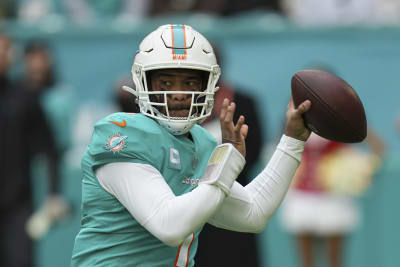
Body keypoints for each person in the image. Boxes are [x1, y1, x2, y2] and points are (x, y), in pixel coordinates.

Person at [71, 24, 312, 267]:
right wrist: (226, 164)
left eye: (190, 83)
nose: (178, 94)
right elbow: (169, 225)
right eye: (165, 82)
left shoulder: (202, 142)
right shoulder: (121, 133)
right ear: (143, 82)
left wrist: (293, 140)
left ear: (209, 85)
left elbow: (254, 212)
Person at [195, 44, 264, 266]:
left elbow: (253, 153)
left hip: (234, 200)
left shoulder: (245, 102)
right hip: (194, 206)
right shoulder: (180, 107)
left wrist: (221, 169)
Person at [280, 130, 384, 267]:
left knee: (334, 261)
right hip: (302, 198)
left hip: (333, 200)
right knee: (306, 262)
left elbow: (379, 147)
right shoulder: (297, 118)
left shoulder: (343, 119)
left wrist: (361, 168)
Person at [0, 34, 61, 267]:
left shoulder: (25, 98)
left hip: (17, 207)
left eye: (4, 50)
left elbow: (49, 148)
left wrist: (54, 193)